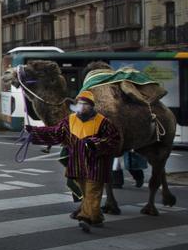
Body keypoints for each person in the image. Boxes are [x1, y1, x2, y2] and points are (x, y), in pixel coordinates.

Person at [26, 91, 122, 232]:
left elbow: (114, 139)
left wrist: (95, 143)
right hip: (77, 165)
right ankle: (96, 217)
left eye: (86, 104)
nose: (82, 107)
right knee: (87, 193)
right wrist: (32, 131)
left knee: (92, 192)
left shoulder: (103, 122)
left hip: (96, 165)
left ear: (91, 106)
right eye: (80, 104)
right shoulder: (70, 120)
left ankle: (85, 218)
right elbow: (55, 133)